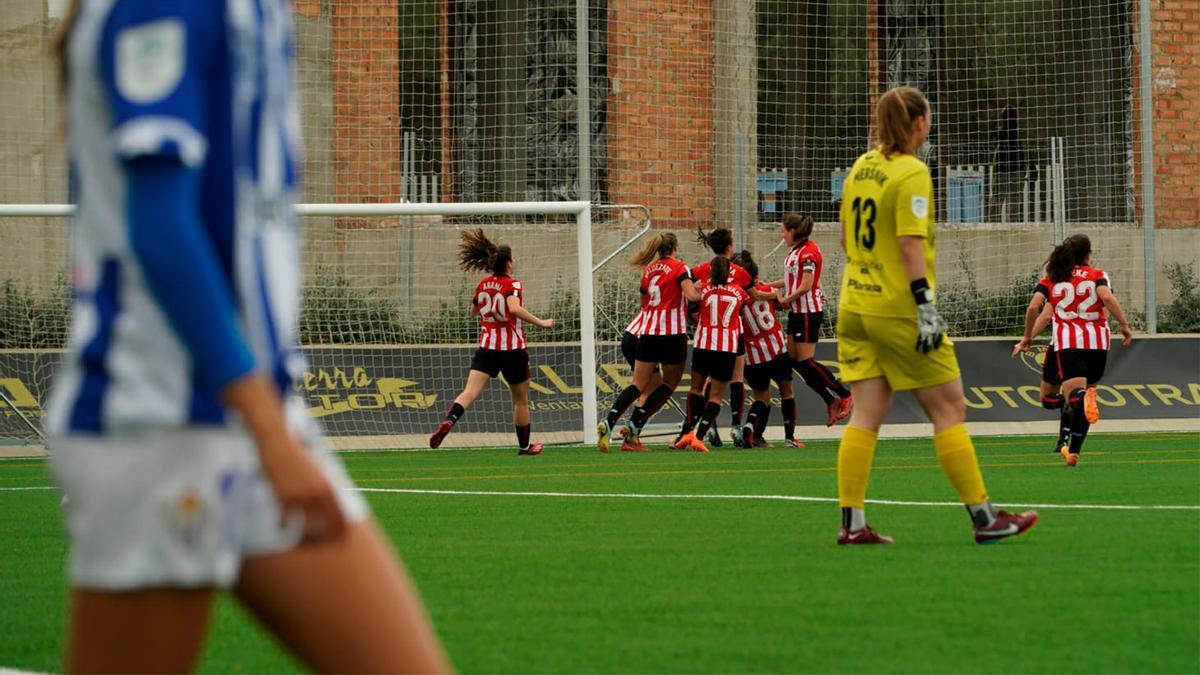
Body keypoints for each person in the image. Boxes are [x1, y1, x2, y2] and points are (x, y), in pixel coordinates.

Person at [46, 1, 450, 672]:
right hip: (163, 423)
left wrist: (271, 426)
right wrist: (267, 430)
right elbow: (162, 227)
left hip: (257, 415)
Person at [834, 85, 1038, 545]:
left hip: (853, 305)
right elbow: (909, 243)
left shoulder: (860, 169)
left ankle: (853, 524)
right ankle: (984, 519)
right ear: (918, 124)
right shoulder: (912, 172)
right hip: (898, 310)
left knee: (865, 414)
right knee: (949, 408)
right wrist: (926, 308)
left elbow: (846, 242)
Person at [430, 229, 556, 455]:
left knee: (469, 393)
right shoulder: (513, 284)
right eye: (513, 258)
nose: (514, 262)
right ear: (508, 264)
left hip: (487, 348)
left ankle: (449, 421)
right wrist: (542, 322)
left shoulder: (483, 284)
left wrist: (489, 313)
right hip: (513, 350)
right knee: (520, 401)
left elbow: (472, 312)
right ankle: (525, 446)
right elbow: (514, 308)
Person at [1013, 234, 1133, 466]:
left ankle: (1073, 422)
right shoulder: (1098, 274)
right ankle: (1074, 452)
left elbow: (1033, 308)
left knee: (1074, 397)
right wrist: (1125, 326)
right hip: (1098, 342)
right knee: (1086, 397)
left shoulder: (1054, 278)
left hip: (1068, 341)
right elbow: (1106, 298)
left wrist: (1027, 337)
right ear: (1089, 253)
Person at [598, 233, 699, 453]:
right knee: (668, 385)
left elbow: (644, 303)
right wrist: (707, 292)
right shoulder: (680, 267)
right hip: (672, 334)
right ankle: (634, 427)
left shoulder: (649, 270)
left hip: (647, 333)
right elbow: (691, 296)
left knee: (637, 385)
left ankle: (609, 422)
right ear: (675, 246)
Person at [678, 227, 767, 447]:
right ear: (729, 246)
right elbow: (754, 295)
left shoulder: (702, 273)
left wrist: (691, 304)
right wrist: (776, 295)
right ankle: (735, 425)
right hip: (730, 336)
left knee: (698, 386)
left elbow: (684, 280)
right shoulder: (740, 276)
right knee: (736, 378)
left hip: (704, 337)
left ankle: (688, 430)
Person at [772, 212, 853, 428]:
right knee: (792, 360)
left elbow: (806, 284)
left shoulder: (808, 253)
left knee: (806, 361)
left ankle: (844, 394)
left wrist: (786, 300)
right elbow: (792, 280)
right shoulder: (794, 252)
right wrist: (767, 285)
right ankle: (830, 400)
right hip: (797, 312)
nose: (782, 236)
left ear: (793, 231)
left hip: (808, 311)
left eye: (783, 231)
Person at [674, 257, 752, 453]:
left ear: (711, 272)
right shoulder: (740, 292)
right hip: (726, 349)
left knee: (695, 390)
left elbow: (692, 306)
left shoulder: (703, 290)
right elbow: (744, 307)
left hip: (703, 344)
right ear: (728, 273)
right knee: (715, 397)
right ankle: (699, 437)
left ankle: (687, 432)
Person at [731, 251, 800, 448]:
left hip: (752, 357)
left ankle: (753, 430)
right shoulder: (765, 290)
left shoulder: (736, 297)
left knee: (762, 397)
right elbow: (783, 305)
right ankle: (789, 438)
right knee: (787, 392)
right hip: (776, 349)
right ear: (754, 276)